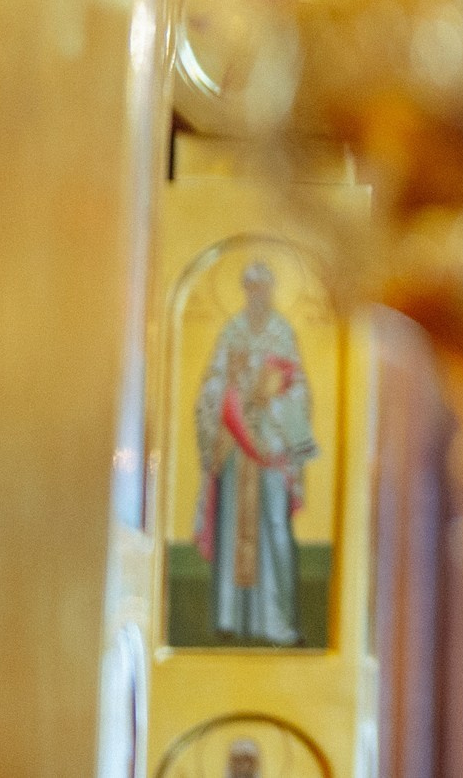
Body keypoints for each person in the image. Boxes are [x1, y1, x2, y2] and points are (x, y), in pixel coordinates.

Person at [195, 259, 318, 646]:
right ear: (245, 291)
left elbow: (299, 387)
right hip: (236, 444)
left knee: (276, 530)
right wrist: (227, 395)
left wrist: (273, 401)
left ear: (271, 291)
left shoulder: (282, 332)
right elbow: (213, 381)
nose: (257, 295)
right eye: (251, 288)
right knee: (233, 527)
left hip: (272, 445)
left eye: (263, 288)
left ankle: (276, 621)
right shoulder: (231, 332)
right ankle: (230, 617)